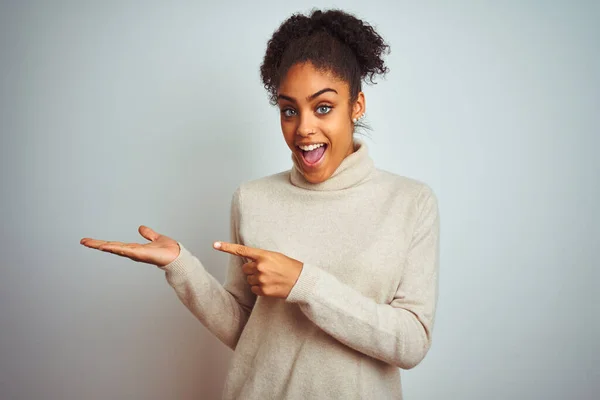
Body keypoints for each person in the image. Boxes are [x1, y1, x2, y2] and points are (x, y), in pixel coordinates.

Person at [80, 8, 440, 400]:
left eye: (323, 107)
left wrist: (305, 283)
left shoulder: (410, 202)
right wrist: (181, 267)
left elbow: (411, 342)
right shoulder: (252, 199)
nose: (303, 128)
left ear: (356, 105)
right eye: (289, 110)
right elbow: (246, 331)